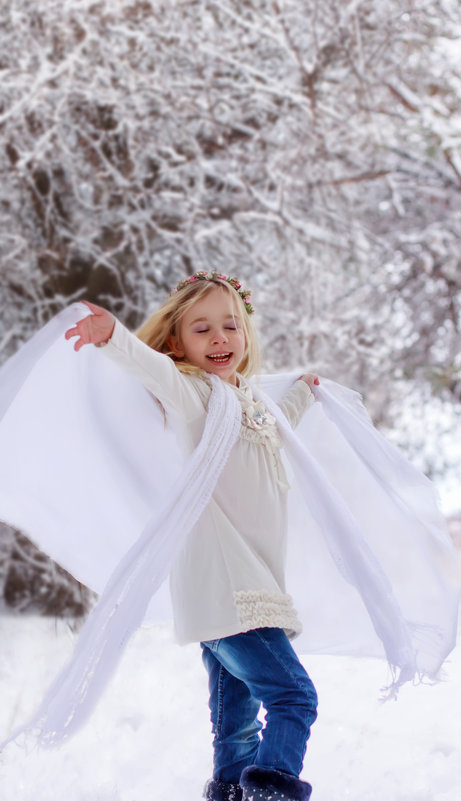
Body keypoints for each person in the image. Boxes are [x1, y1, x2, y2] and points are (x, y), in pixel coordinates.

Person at [64, 271, 321, 801]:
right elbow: (153, 370)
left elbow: (274, 424)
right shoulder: (195, 395)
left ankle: (230, 790)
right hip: (227, 582)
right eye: (201, 330)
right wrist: (113, 336)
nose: (220, 338)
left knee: (236, 721)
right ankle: (271, 793)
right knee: (294, 697)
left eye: (230, 325)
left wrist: (303, 395)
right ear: (178, 342)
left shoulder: (248, 399)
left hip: (246, 585)